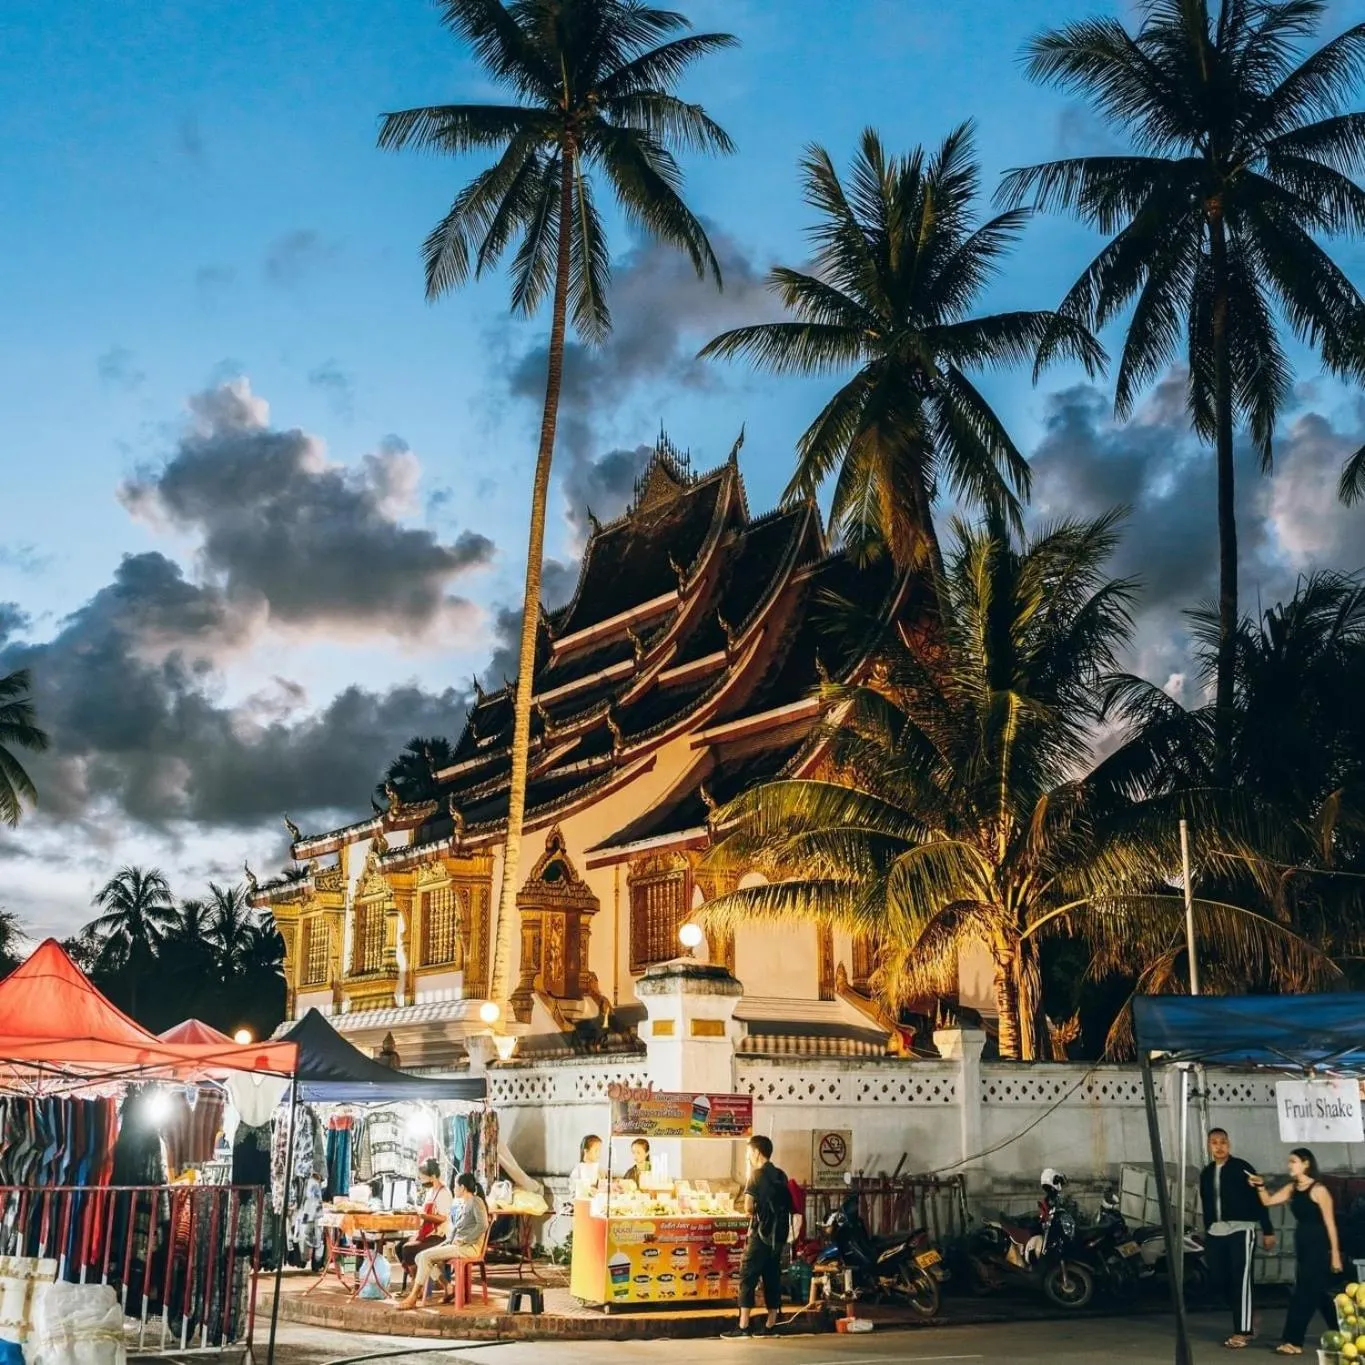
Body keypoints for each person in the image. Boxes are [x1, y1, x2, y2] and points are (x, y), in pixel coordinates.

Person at [1249, 1149, 1342, 1356]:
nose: (1289, 1165)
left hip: (1318, 1243)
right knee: (1318, 1293)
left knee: (1303, 1293)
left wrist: (1335, 1254)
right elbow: (1268, 1201)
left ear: (1305, 1163)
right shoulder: (1292, 1187)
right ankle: (1343, 1331)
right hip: (1302, 1241)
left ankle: (1293, 1340)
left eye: (1293, 1161)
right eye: (1289, 1161)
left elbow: (1330, 1224)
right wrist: (1260, 1186)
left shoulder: (1319, 1190)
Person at [1198, 1128, 1274, 1349]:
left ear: (1229, 1144)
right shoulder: (1206, 1173)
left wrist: (1267, 1230)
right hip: (1215, 1231)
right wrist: (1208, 1228)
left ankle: (1242, 1332)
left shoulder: (1242, 1168)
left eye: (1223, 1142)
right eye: (1214, 1142)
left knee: (1241, 1279)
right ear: (1209, 1146)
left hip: (1242, 1229)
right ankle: (1249, 1316)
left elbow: (1259, 1198)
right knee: (1218, 1279)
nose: (1219, 1146)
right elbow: (1206, 1202)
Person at [723, 1135, 791, 1339]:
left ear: (757, 1152)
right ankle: (770, 1325)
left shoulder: (756, 1175)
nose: (748, 1156)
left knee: (748, 1275)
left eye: (749, 1152)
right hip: (778, 1236)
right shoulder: (781, 1175)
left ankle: (744, 1325)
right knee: (772, 1276)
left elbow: (748, 1207)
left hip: (761, 1234)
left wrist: (752, 1211)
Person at [397, 1173, 490, 1309]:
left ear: (462, 1187)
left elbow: (483, 1225)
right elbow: (456, 1230)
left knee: (424, 1256)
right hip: (457, 1245)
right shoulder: (461, 1204)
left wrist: (465, 1240)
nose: (453, 1189)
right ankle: (448, 1287)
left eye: (455, 1186)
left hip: (469, 1247)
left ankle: (413, 1297)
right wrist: (444, 1244)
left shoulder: (476, 1201)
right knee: (419, 1257)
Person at [398, 1158, 452, 1282]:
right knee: (399, 1246)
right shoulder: (430, 1192)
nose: (421, 1181)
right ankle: (420, 1279)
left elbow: (443, 1218)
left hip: (440, 1237)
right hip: (428, 1234)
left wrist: (423, 1216)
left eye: (423, 1178)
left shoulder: (444, 1192)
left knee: (408, 1249)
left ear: (433, 1177)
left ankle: (417, 1284)